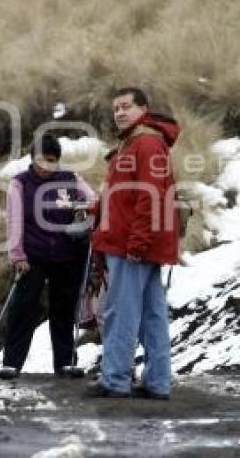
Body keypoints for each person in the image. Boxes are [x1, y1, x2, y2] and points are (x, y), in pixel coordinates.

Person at [88, 87, 180, 399]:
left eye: (126, 106)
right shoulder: (136, 143)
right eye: (115, 108)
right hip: (137, 242)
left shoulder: (145, 144)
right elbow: (124, 197)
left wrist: (138, 242)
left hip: (132, 245)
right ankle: (157, 382)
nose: (119, 113)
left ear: (144, 109)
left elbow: (149, 197)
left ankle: (115, 380)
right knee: (152, 316)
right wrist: (94, 210)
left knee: (121, 313)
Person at [0, 133, 96, 380]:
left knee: (63, 309)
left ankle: (65, 363)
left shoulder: (70, 179)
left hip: (67, 255)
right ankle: (12, 363)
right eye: (41, 160)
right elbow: (14, 221)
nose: (45, 166)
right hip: (33, 257)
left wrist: (83, 215)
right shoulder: (20, 183)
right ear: (32, 158)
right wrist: (17, 255)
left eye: (51, 160)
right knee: (23, 308)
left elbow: (93, 200)